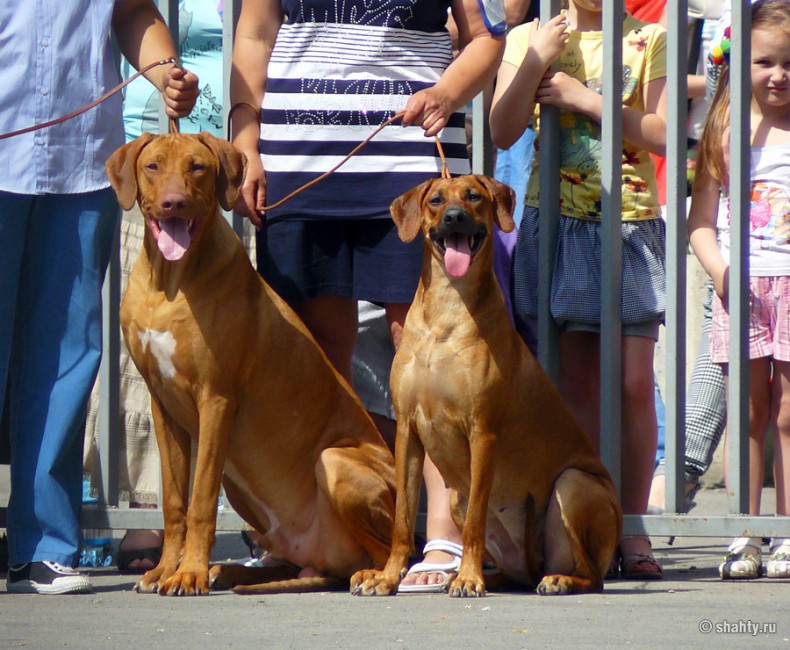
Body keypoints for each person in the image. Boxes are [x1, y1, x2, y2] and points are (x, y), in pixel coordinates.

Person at [230, 0, 505, 593]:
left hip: (410, 167)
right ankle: (319, 534)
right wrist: (245, 140)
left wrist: (448, 91)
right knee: (313, 361)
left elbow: (484, 39)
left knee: (428, 353)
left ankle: (443, 533)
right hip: (296, 160)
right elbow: (253, 35)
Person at [0, 0, 198, 594]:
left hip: (81, 157)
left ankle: (44, 544)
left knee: (68, 350)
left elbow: (134, 11)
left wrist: (166, 71)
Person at [490, 1, 668, 579]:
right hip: (556, 220)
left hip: (630, 220)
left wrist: (581, 97)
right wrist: (535, 59)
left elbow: (664, 133)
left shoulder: (649, 38)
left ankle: (633, 522)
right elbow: (501, 128)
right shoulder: (531, 36)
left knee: (634, 380)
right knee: (577, 385)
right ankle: (585, 519)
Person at [83, 0, 228, 575]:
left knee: (222, 373)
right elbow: (132, 17)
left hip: (225, 175)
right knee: (139, 368)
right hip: (148, 166)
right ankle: (148, 515)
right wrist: (166, 72)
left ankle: (235, 516)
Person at [687, 0, 790, 580]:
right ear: (741, 63)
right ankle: (744, 532)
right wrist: (722, 272)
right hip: (742, 286)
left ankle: (786, 533)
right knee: (748, 412)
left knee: (788, 415)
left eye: (789, 62)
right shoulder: (724, 132)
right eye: (765, 61)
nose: (778, 74)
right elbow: (701, 222)